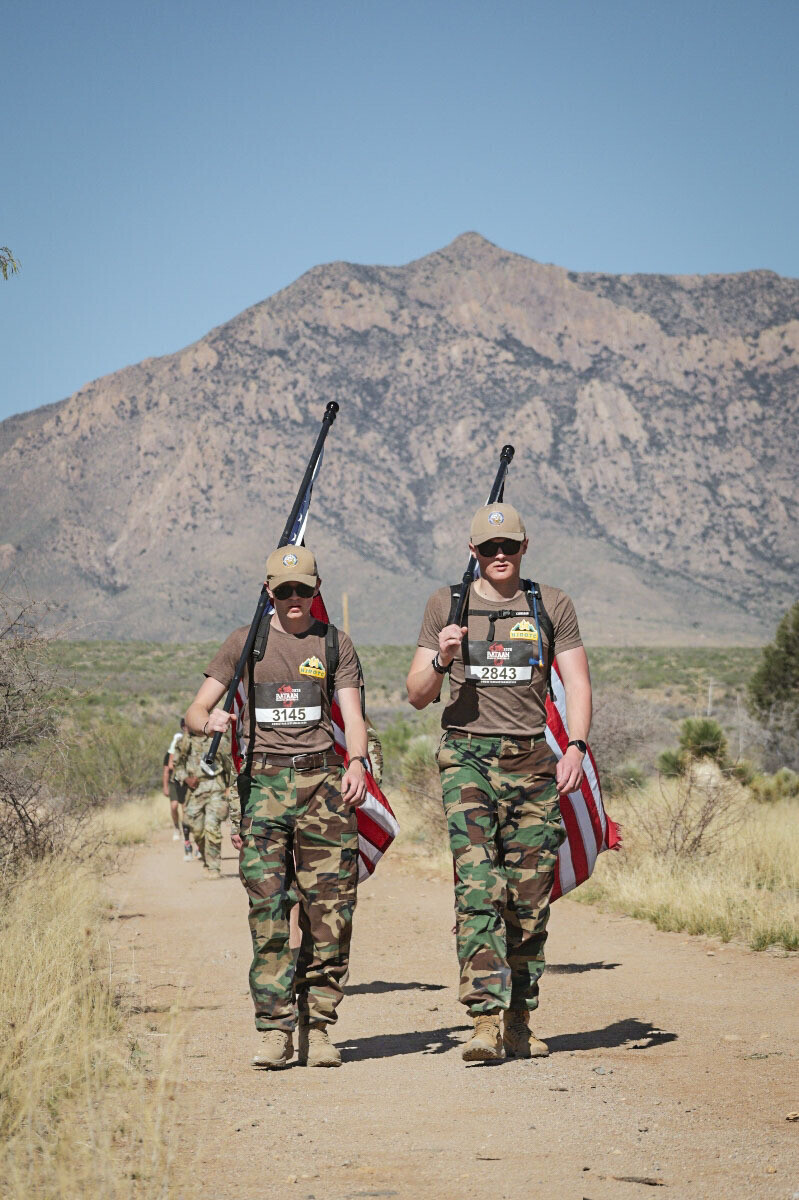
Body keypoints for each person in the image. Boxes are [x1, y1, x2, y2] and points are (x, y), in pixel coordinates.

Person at [406, 503, 592, 1063]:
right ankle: (484, 1019)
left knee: (529, 898)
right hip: (467, 758)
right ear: (473, 552)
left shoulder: (550, 604)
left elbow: (578, 682)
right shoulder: (447, 605)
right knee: (479, 886)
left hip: (532, 760)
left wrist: (577, 747)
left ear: (524, 546)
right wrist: (442, 659)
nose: (500, 556)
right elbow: (416, 693)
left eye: (508, 546)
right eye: (489, 549)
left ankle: (519, 1018)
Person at [184, 545, 369, 1070]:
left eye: (303, 590)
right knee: (268, 914)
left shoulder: (335, 644)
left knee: (329, 914)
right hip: (261, 789)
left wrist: (357, 762)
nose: (294, 598)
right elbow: (196, 709)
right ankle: (274, 1031)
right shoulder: (245, 643)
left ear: (316, 591)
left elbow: (352, 715)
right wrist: (210, 721)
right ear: (269, 592)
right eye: (284, 590)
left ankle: (320, 1027)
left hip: (324, 789)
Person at [171, 726, 238, 877]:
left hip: (216, 787)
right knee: (198, 831)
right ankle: (206, 860)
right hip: (195, 791)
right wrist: (186, 779)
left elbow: (229, 764)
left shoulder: (218, 739)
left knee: (212, 827)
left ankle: (214, 868)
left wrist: (230, 786)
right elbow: (177, 766)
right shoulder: (184, 742)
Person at [164, 719, 194, 859]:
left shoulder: (197, 740)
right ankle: (178, 829)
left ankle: (190, 841)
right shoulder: (177, 741)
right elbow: (170, 765)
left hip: (191, 781)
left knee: (186, 810)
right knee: (175, 806)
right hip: (177, 781)